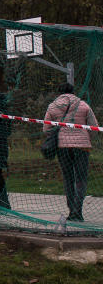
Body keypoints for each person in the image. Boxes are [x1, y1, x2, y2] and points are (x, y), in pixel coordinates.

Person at [44, 83, 97, 222]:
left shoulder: (52, 106)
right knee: (81, 179)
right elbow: (94, 126)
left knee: (68, 178)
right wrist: (86, 138)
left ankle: (71, 210)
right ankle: (77, 212)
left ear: (59, 92)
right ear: (73, 92)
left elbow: (46, 129)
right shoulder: (84, 105)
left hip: (63, 147)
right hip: (82, 147)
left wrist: (57, 134)